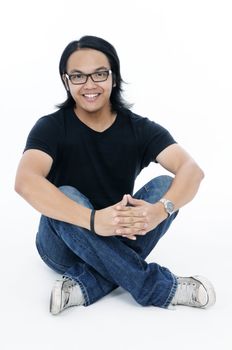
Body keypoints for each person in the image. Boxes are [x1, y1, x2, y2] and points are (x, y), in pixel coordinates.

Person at [15, 35, 216, 315]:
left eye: (99, 74)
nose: (89, 85)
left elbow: (192, 171)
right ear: (66, 81)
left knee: (166, 186)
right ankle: (157, 287)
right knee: (65, 194)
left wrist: (161, 210)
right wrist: (94, 220)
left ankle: (86, 284)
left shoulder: (139, 129)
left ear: (114, 77)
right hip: (62, 244)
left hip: (120, 235)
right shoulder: (51, 127)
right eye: (78, 76)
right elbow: (25, 181)